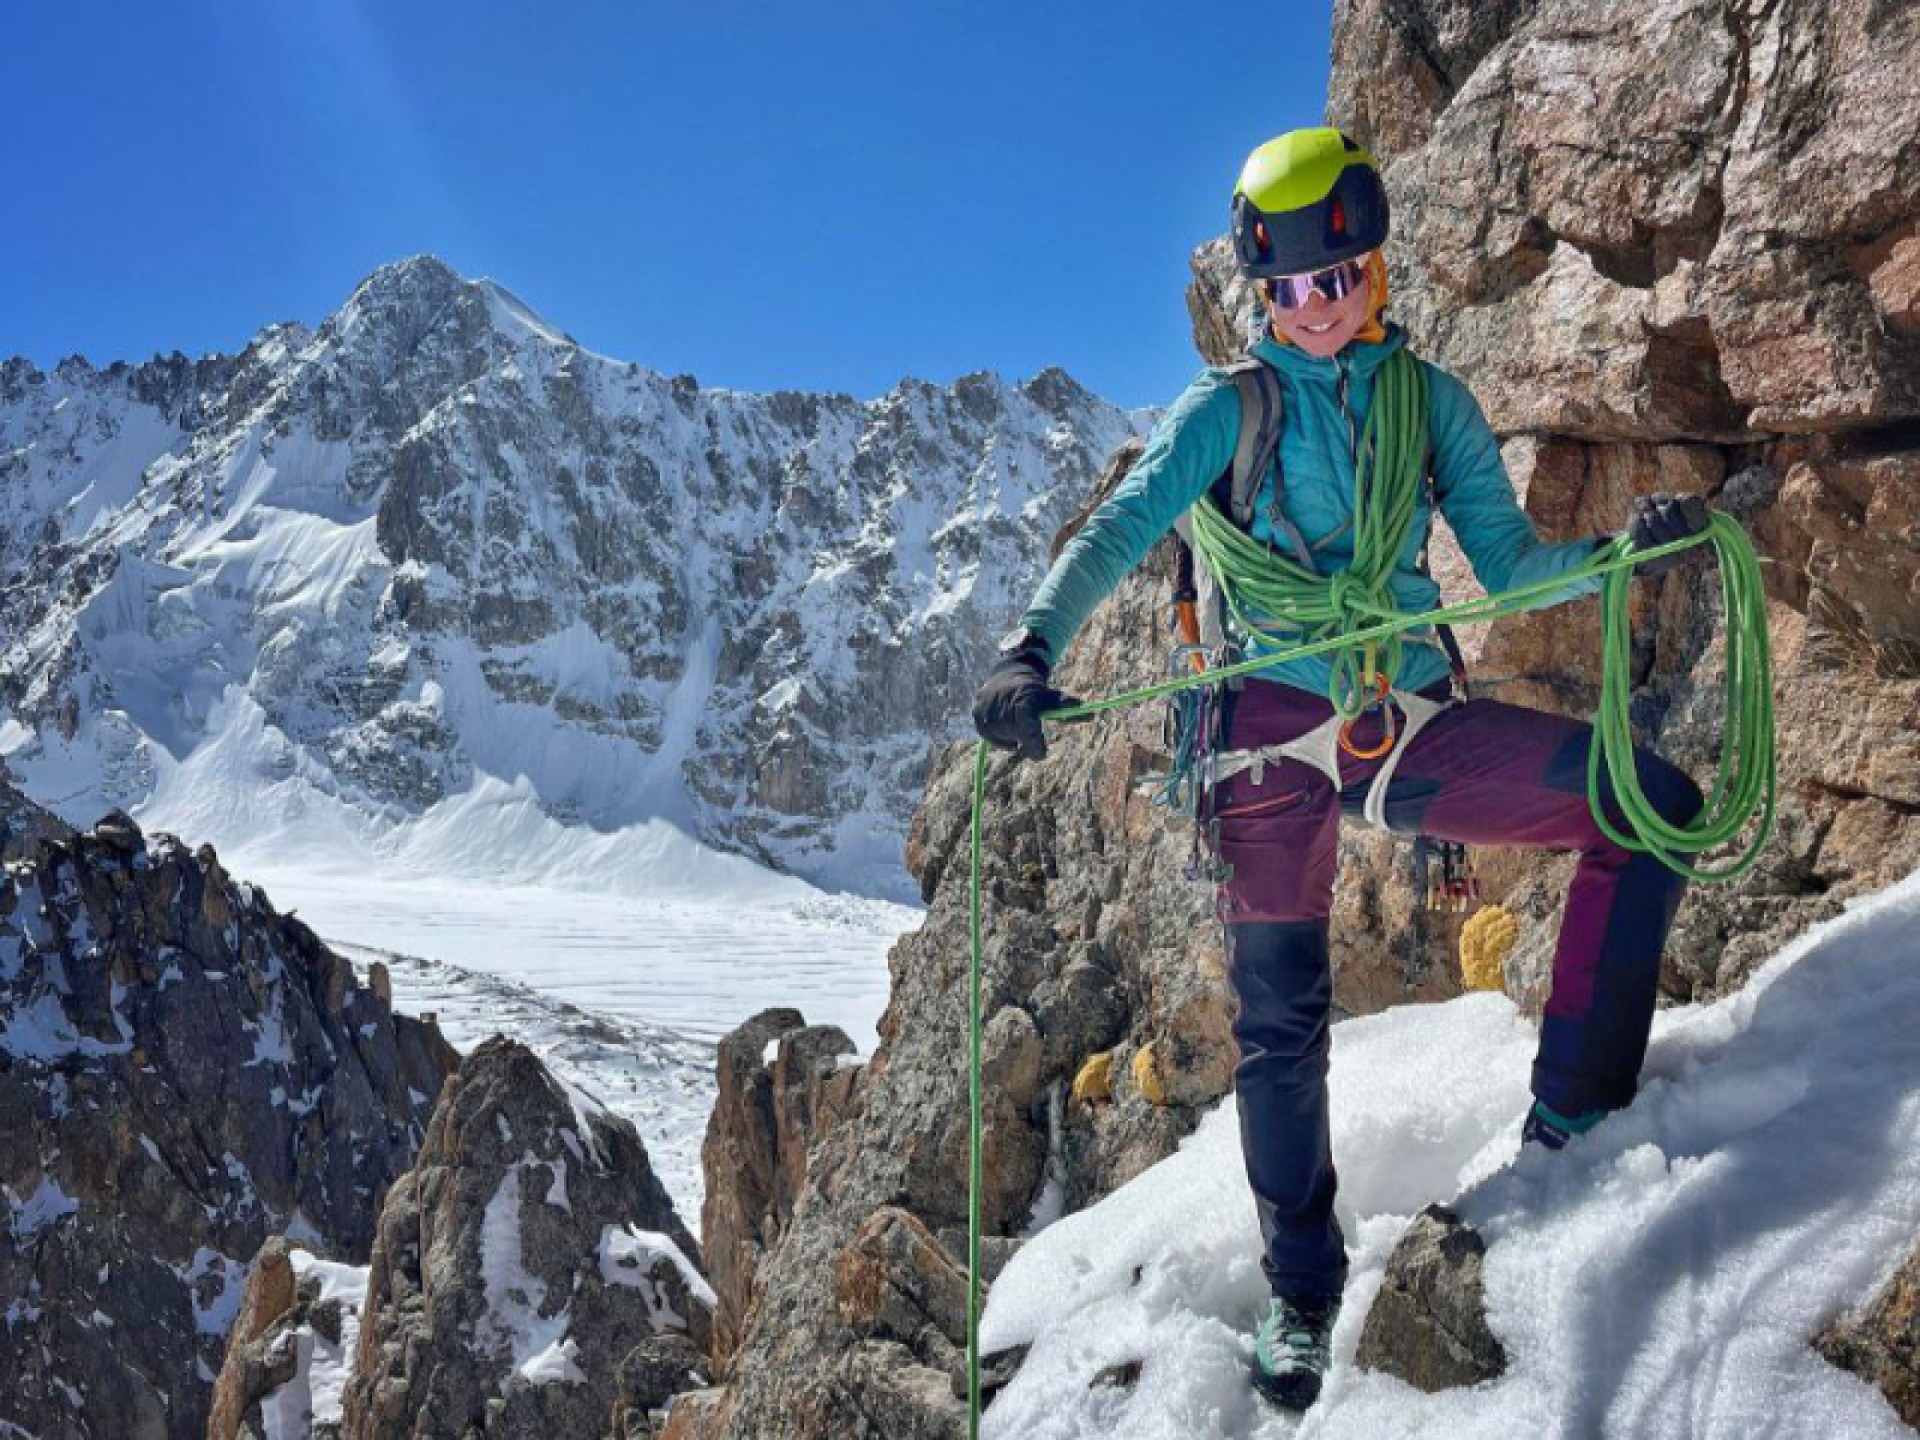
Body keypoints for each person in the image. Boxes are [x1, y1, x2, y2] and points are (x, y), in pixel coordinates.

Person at [970, 127, 1711, 1412]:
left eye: (1337, 278)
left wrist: (1618, 556)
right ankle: (1303, 1296)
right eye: (1288, 289)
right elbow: (1123, 523)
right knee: (1281, 1022)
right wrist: (1030, 646)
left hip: (1399, 713)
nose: (1313, 307)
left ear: (1375, 270)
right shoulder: (1229, 410)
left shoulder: (1433, 406)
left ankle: (1569, 1130)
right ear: (1263, 295)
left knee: (1649, 804)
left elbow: (1511, 561)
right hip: (1262, 731)